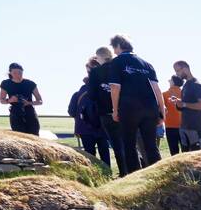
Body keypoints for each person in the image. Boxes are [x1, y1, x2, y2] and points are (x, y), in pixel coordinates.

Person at [106, 34, 166, 175]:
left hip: (129, 108)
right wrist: (161, 111)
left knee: (129, 144)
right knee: (151, 145)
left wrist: (115, 110)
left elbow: (115, 88)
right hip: (150, 108)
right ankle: (159, 175)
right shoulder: (146, 64)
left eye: (114, 48)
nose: (114, 51)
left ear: (119, 46)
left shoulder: (117, 62)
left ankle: (134, 175)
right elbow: (157, 89)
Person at [87, 46, 127, 176]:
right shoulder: (121, 68)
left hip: (106, 112)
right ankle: (133, 170)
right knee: (128, 142)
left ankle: (123, 172)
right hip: (123, 110)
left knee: (116, 145)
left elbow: (91, 95)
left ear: (99, 57)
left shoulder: (95, 72)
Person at [69, 58, 112, 166]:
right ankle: (108, 173)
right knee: (104, 153)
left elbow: (71, 111)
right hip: (102, 126)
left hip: (85, 128)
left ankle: (95, 176)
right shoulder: (106, 89)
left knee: (89, 155)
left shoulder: (78, 93)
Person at [172, 60, 201, 152]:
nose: (177, 73)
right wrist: (178, 103)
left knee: (197, 159)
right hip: (184, 127)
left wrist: (184, 104)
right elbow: (185, 106)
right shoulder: (185, 86)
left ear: (186, 69)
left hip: (195, 128)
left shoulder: (198, 85)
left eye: (177, 70)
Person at [0, 62, 42, 136]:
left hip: (30, 113)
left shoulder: (30, 84)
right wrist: (10, 100)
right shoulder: (6, 84)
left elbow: (40, 101)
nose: (18, 75)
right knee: (19, 137)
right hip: (15, 113)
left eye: (20, 72)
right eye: (15, 72)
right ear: (10, 73)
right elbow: (2, 100)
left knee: (34, 135)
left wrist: (29, 103)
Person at [162, 75, 183, 156]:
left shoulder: (164, 94)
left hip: (170, 126)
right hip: (183, 126)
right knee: (186, 151)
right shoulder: (184, 93)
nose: (168, 80)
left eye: (170, 80)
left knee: (174, 152)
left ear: (173, 82)